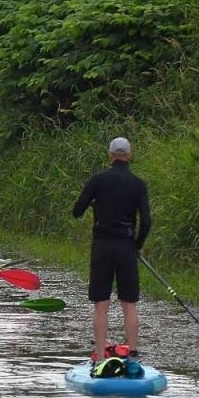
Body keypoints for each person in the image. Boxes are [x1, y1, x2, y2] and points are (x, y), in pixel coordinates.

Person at [73, 136, 151, 365]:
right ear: (129, 155)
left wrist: (95, 204)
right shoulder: (138, 184)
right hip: (126, 247)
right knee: (129, 303)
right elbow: (146, 222)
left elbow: (77, 211)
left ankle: (100, 356)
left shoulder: (98, 180)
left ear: (110, 155)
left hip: (102, 247)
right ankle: (133, 355)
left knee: (101, 304)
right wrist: (137, 245)